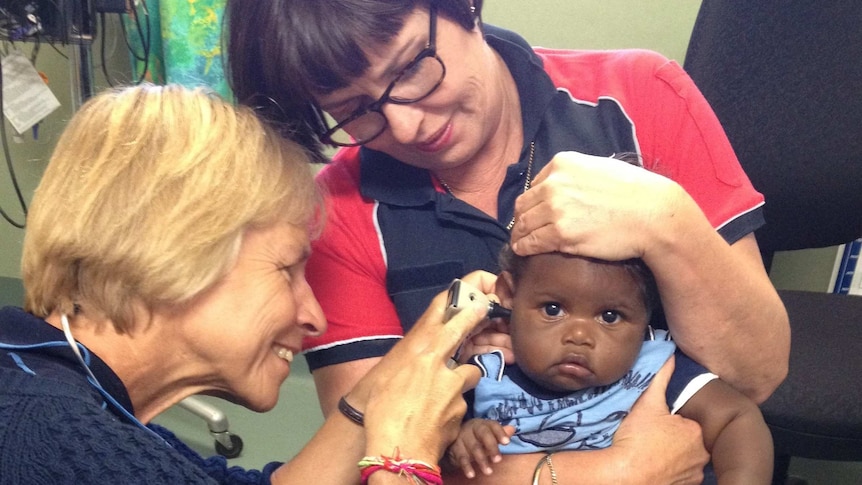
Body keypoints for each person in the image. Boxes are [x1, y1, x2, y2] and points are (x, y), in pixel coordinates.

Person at [225, 1, 790, 483]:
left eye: (413, 70)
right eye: (356, 112)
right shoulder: (339, 216)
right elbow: (381, 457)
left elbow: (756, 375)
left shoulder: (640, 98)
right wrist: (610, 474)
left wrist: (665, 221)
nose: (405, 128)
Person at [0, 84, 492, 484]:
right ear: (176, 251)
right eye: (286, 270)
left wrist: (389, 384)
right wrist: (404, 458)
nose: (313, 317)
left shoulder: (50, 389)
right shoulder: (53, 440)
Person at [447, 247, 773, 483]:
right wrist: (463, 442)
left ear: (647, 315)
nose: (579, 335)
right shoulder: (481, 376)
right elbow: (423, 454)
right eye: (552, 309)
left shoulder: (652, 367)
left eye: (609, 316)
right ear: (508, 296)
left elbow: (735, 418)